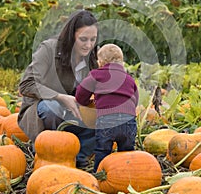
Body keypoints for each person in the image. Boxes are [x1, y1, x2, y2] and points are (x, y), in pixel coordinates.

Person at [17, 9, 99, 168]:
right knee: (53, 108)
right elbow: (26, 84)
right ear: (71, 35)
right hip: (42, 108)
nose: (88, 45)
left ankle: (77, 157)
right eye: (83, 39)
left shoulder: (90, 59)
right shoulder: (49, 49)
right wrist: (59, 97)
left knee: (104, 117)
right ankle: (49, 153)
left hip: (73, 112)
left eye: (93, 39)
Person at [75, 43, 139, 172]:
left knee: (102, 151)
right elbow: (135, 98)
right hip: (128, 121)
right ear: (122, 62)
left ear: (101, 62)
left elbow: (81, 93)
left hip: (106, 119)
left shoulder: (97, 74)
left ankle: (99, 175)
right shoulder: (128, 78)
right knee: (127, 152)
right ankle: (127, 174)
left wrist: (85, 101)